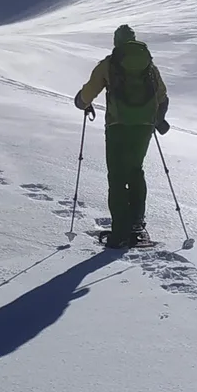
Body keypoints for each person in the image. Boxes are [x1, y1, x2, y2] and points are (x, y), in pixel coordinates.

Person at [74, 24, 169, 248]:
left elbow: (86, 96)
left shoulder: (109, 64)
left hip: (118, 127)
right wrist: (157, 119)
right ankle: (136, 224)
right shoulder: (149, 66)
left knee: (117, 176)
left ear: (116, 42)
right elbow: (163, 97)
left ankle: (119, 233)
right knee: (135, 170)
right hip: (143, 128)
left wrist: (81, 102)